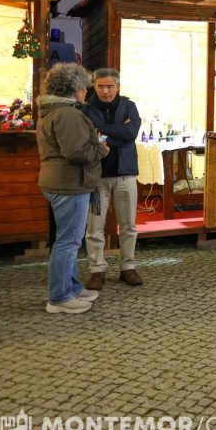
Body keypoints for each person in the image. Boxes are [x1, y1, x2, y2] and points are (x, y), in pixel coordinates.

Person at [36, 63, 109, 313]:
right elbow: (77, 152)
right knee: (68, 243)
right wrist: (101, 149)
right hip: (70, 184)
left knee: (68, 241)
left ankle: (72, 287)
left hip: (61, 181)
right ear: (72, 88)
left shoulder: (53, 111)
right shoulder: (67, 114)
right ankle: (60, 297)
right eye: (83, 87)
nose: (86, 91)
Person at [81, 68, 143, 290]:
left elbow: (131, 133)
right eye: (101, 86)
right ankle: (97, 270)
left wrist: (103, 133)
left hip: (126, 174)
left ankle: (128, 267)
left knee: (128, 225)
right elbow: (90, 137)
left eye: (110, 86)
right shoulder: (86, 110)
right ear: (94, 86)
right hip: (97, 176)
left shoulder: (129, 106)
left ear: (118, 87)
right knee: (94, 227)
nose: (106, 91)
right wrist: (119, 132)